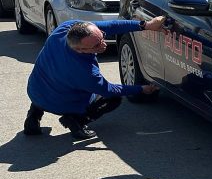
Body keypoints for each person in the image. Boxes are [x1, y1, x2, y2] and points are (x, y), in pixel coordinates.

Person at [24, 17, 167, 140]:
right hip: (62, 104)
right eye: (96, 45)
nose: (104, 44)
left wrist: (146, 25)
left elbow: (111, 25)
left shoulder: (65, 28)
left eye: (102, 37)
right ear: (80, 50)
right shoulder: (86, 72)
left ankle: (33, 117)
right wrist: (140, 89)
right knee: (114, 99)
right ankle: (76, 121)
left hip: (35, 91)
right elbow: (110, 90)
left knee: (50, 80)